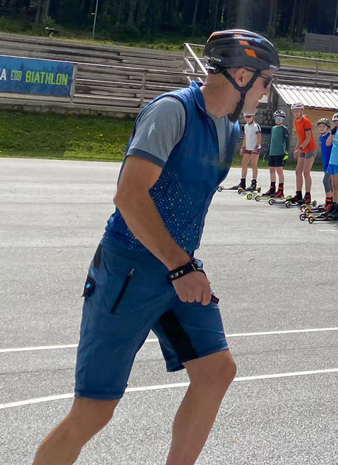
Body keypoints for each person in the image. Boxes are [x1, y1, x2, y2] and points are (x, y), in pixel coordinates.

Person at [33, 29, 278, 465]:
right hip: (128, 269)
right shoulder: (171, 112)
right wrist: (182, 267)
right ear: (242, 75)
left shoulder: (229, 127)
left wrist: (182, 267)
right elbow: (129, 195)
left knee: (216, 371)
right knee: (94, 410)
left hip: (176, 267)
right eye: (265, 81)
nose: (266, 92)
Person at [291, 102, 316, 205]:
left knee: (306, 172)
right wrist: (296, 149)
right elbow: (300, 137)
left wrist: (299, 149)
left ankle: (308, 195)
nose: (296, 113)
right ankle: (298, 194)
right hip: (302, 148)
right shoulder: (296, 121)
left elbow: (308, 138)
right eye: (294, 111)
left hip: (310, 148)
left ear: (301, 111)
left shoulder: (306, 121)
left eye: (297, 111)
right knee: (298, 171)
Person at [236, 112, 261, 192]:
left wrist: (256, 147)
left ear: (252, 117)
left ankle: (254, 182)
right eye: (246, 117)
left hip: (254, 148)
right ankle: (242, 182)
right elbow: (246, 137)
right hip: (248, 147)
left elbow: (259, 137)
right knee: (244, 164)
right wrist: (243, 147)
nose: (247, 118)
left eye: (249, 117)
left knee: (253, 164)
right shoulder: (246, 126)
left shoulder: (256, 126)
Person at [266, 110, 289, 199]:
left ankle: (280, 190)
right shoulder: (273, 128)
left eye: (280, 118)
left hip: (279, 153)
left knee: (279, 171)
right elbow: (271, 141)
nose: (278, 120)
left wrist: (286, 152)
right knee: (271, 170)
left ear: (282, 119)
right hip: (272, 152)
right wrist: (267, 152)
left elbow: (287, 141)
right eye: (276, 118)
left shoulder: (284, 129)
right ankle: (272, 188)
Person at [316, 117, 332, 203]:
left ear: (328, 128)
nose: (321, 128)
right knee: (330, 182)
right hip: (325, 162)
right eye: (320, 126)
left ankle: (329, 201)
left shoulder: (330, 136)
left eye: (323, 126)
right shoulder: (321, 137)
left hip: (331, 162)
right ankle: (332, 201)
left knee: (326, 181)